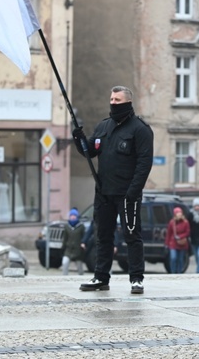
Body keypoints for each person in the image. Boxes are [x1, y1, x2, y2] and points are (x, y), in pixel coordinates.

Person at [73, 85, 154, 294]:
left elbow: (144, 164)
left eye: (117, 100)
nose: (113, 103)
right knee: (103, 236)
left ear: (127, 102)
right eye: (111, 99)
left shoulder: (140, 130)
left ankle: (136, 279)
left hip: (127, 195)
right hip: (103, 193)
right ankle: (101, 277)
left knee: (131, 235)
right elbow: (89, 151)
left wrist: (133, 192)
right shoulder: (103, 127)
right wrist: (78, 137)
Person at [166, 207, 191, 274]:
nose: (179, 214)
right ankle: (173, 272)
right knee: (173, 258)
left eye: (180, 213)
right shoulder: (172, 222)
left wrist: (180, 236)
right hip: (173, 243)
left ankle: (179, 272)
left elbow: (187, 232)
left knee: (180, 259)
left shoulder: (185, 222)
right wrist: (167, 244)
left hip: (182, 243)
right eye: (177, 213)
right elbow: (169, 233)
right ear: (175, 214)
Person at [61, 208, 86, 276]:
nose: (72, 217)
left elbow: (84, 237)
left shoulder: (81, 226)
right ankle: (64, 277)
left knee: (79, 267)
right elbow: (65, 238)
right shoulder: (67, 226)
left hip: (78, 250)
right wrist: (63, 247)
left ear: (76, 216)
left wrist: (83, 244)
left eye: (74, 215)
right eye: (71, 216)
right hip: (68, 249)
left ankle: (81, 278)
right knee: (65, 262)